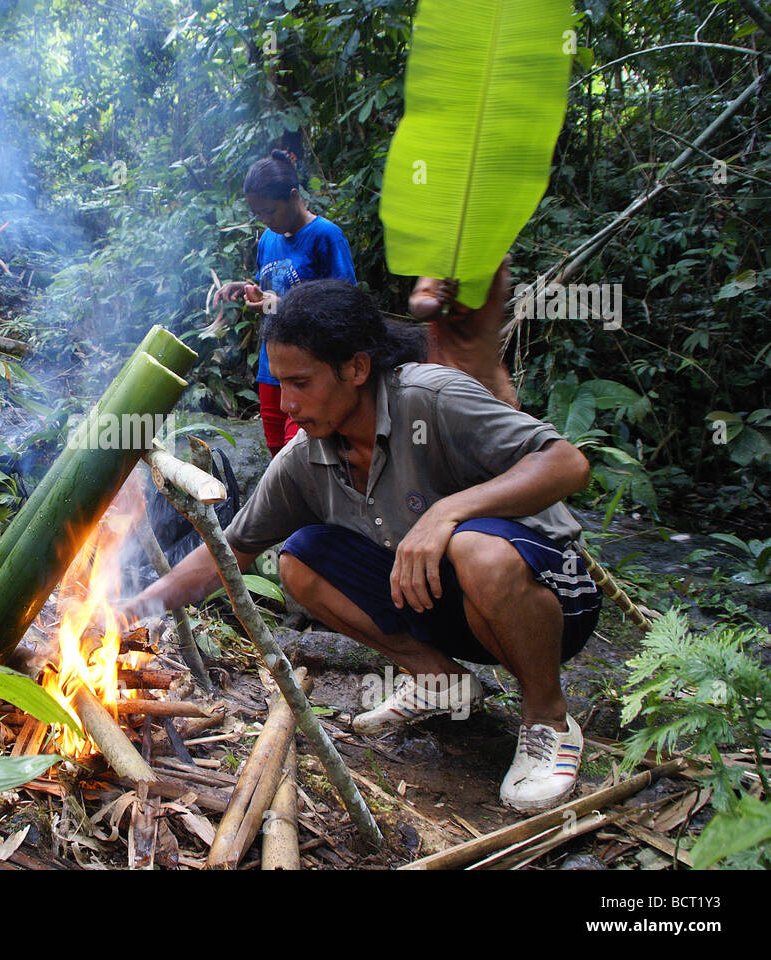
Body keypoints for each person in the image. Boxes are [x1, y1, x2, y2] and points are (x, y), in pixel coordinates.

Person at [126, 279, 602, 812]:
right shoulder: (305, 459)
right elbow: (228, 553)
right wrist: (132, 611)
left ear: (355, 368)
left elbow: (567, 463)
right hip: (450, 609)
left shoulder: (432, 398)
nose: (287, 404)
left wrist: (448, 512)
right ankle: (441, 680)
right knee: (301, 560)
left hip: (552, 596)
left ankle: (548, 719)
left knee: (475, 548)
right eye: (280, 384)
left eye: (301, 383)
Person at [213, 150, 358, 457]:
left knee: (303, 453)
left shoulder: (326, 236)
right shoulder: (268, 240)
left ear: (294, 196)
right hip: (271, 368)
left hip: (310, 368)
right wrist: (244, 289)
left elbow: (347, 305)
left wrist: (284, 304)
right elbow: (267, 287)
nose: (266, 221)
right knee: (277, 454)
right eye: (259, 215)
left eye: (270, 211)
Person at [408, 256, 518, 408]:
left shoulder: (499, 260)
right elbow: (418, 306)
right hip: (452, 385)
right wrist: (440, 301)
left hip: (493, 387)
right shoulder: (451, 260)